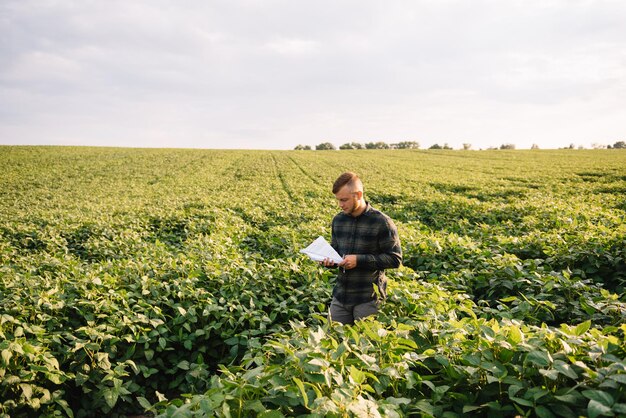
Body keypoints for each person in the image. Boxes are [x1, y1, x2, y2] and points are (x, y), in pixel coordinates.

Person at [322, 172, 402, 324]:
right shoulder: (338, 220)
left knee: (365, 344)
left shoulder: (381, 222)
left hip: (368, 299)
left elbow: (395, 259)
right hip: (341, 296)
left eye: (344, 200)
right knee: (331, 339)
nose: (340, 204)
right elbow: (336, 251)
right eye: (338, 200)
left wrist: (359, 260)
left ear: (358, 195)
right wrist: (329, 261)